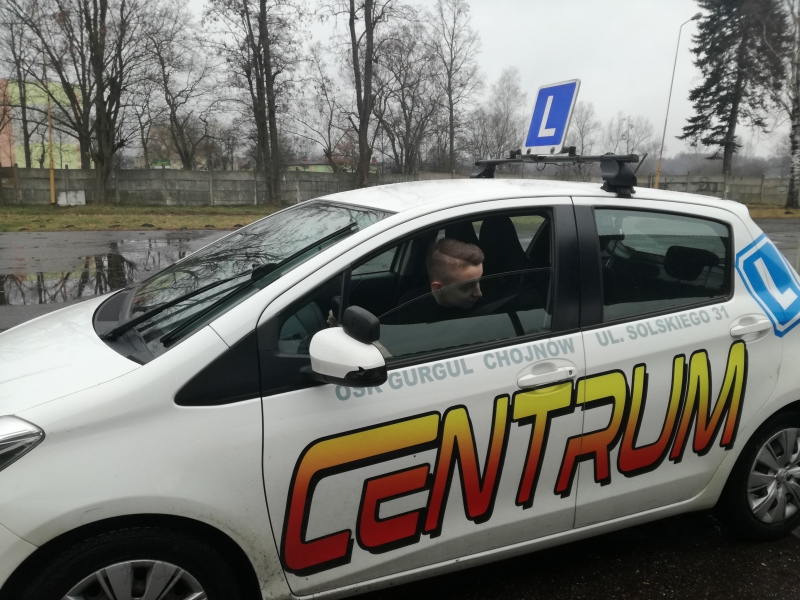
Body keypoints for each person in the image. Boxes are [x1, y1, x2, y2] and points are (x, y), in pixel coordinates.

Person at [388, 238, 485, 323]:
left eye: (479, 281)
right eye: (466, 287)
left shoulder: (483, 305)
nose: (479, 293)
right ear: (438, 287)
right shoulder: (412, 307)